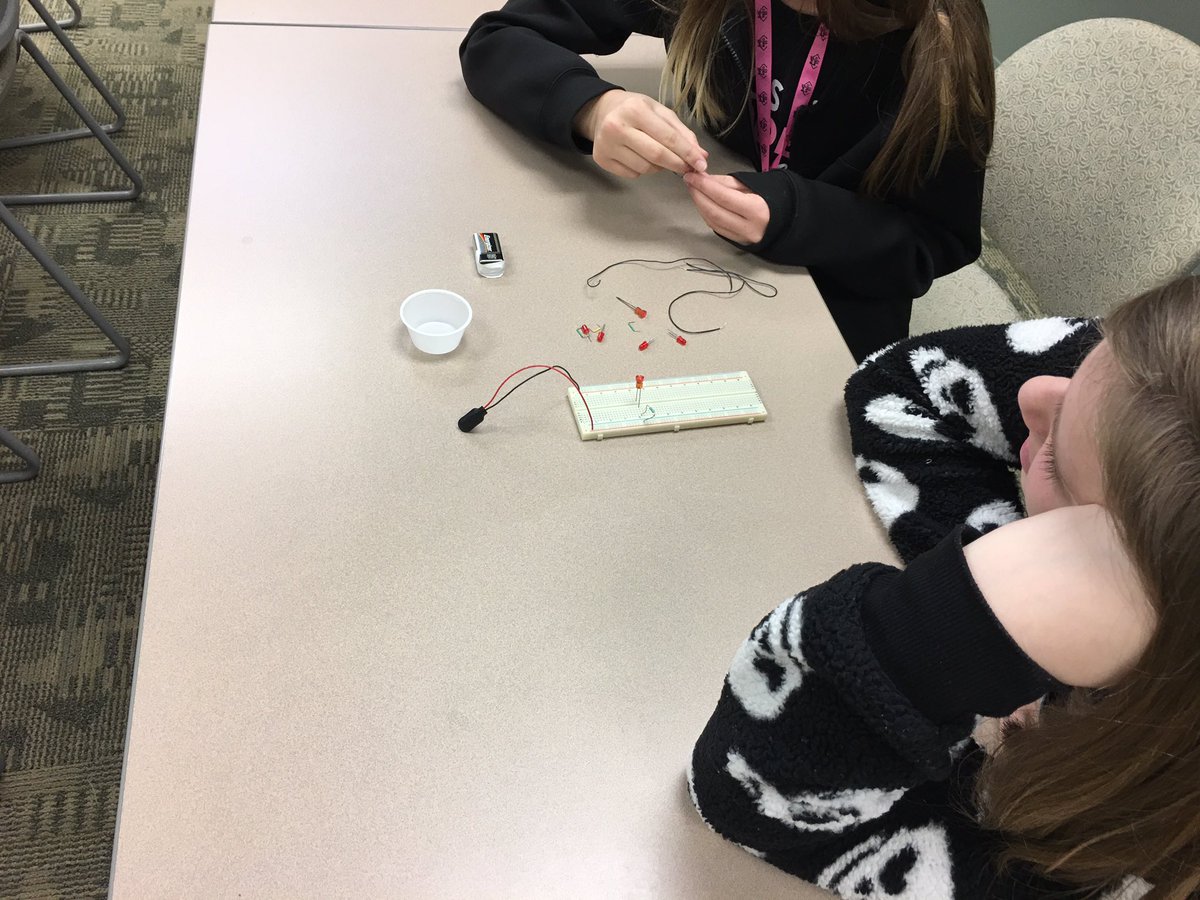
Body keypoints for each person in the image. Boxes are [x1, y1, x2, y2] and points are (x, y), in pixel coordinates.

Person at [688, 275, 1200, 899]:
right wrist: (1010, 542)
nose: (1033, 393)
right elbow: (900, 384)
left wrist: (954, 627)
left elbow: (750, 798)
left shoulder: (1150, 859)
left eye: (1055, 465)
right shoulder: (1163, 374)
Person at [459, 0, 995, 361]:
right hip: (697, 265)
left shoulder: (936, 44)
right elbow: (497, 38)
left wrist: (799, 215)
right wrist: (592, 108)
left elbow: (935, 240)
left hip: (829, 314)